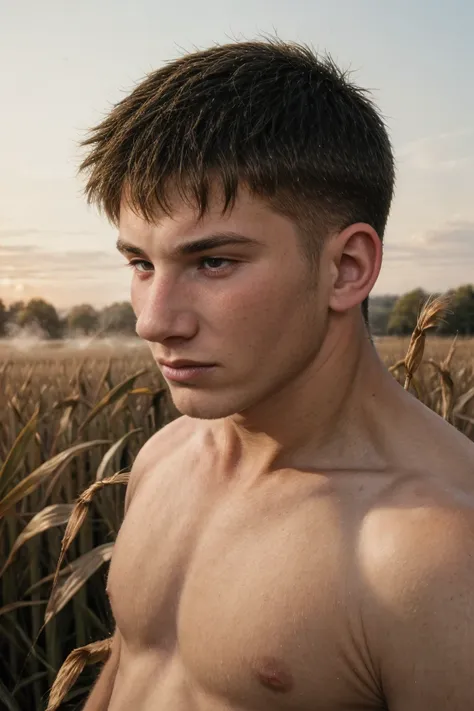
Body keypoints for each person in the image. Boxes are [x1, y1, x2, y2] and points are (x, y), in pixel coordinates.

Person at [78, 38, 474, 711]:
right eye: (142, 263)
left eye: (213, 263)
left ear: (347, 267)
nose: (153, 320)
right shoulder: (160, 460)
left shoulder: (432, 552)